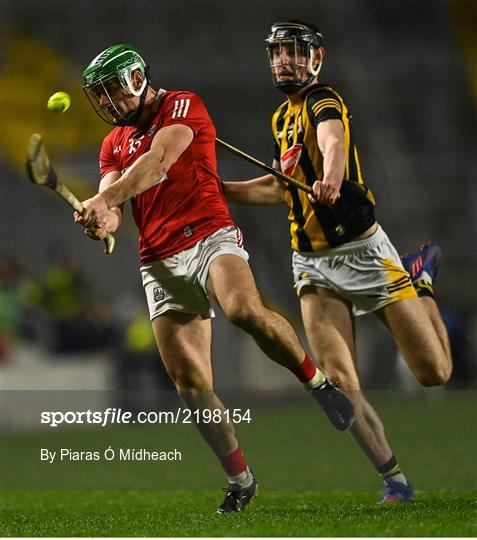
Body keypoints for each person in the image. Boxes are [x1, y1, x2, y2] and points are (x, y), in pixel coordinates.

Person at [76, 43, 355, 514]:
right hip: (159, 259)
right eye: (99, 95)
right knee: (190, 384)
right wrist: (101, 219)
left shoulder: (182, 105)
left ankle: (317, 384)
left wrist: (109, 198)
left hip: (210, 235)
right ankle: (241, 480)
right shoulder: (113, 143)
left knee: (245, 310)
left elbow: (159, 163)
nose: (107, 103)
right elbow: (114, 204)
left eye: (111, 91)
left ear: (138, 79)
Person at [222, 21, 453, 504]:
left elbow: (332, 142)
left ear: (315, 58)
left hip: (363, 252)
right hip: (311, 264)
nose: (286, 60)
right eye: (278, 53)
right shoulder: (279, 118)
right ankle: (395, 480)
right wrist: (218, 190)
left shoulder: (323, 100)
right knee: (340, 383)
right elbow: (277, 189)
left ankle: (420, 280)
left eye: (295, 52)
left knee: (435, 374)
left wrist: (331, 175)